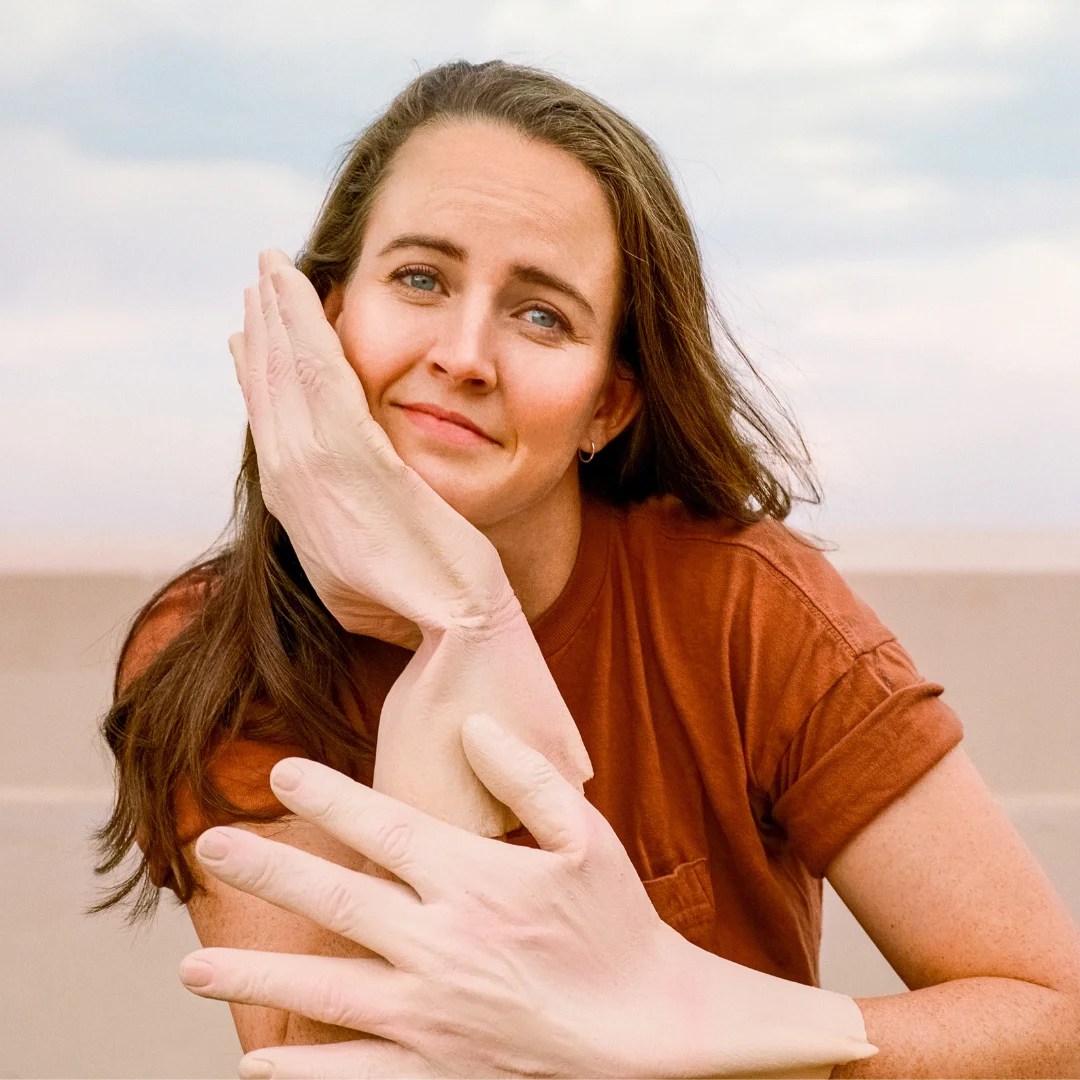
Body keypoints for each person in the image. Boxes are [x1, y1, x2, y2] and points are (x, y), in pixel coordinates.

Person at [95, 59, 1080, 1077]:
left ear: (608, 406)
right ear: (324, 316)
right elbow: (346, 1067)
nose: (466, 353)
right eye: (421, 278)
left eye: (541, 316)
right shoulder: (223, 646)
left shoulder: (740, 607)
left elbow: (1053, 1021)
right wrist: (460, 624)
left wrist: (702, 1040)